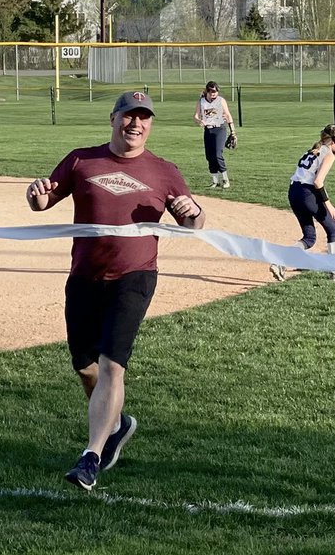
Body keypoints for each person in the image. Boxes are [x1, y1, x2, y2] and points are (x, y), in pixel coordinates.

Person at [26, 90, 205, 491]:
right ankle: (119, 423)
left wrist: (194, 215)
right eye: (128, 116)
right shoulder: (81, 160)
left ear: (150, 125)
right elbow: (44, 202)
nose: (135, 124)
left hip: (135, 276)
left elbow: (193, 221)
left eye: (144, 118)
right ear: (113, 118)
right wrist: (35, 196)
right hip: (85, 276)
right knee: (85, 365)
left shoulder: (164, 171)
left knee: (111, 365)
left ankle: (91, 456)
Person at [269, 124, 335, 283]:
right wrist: (329, 205)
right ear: (331, 139)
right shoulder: (329, 155)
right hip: (306, 193)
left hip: (294, 192)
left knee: (309, 237)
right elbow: (318, 182)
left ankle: (280, 262)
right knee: (333, 229)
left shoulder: (313, 150)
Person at [193, 80, 236, 189]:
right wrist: (199, 121)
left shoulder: (221, 101)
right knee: (210, 156)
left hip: (219, 129)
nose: (214, 94)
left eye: (216, 92)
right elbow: (196, 116)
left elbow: (228, 115)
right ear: (207, 92)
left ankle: (225, 179)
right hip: (208, 130)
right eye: (212, 92)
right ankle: (215, 181)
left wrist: (233, 132)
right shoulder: (202, 101)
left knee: (217, 154)